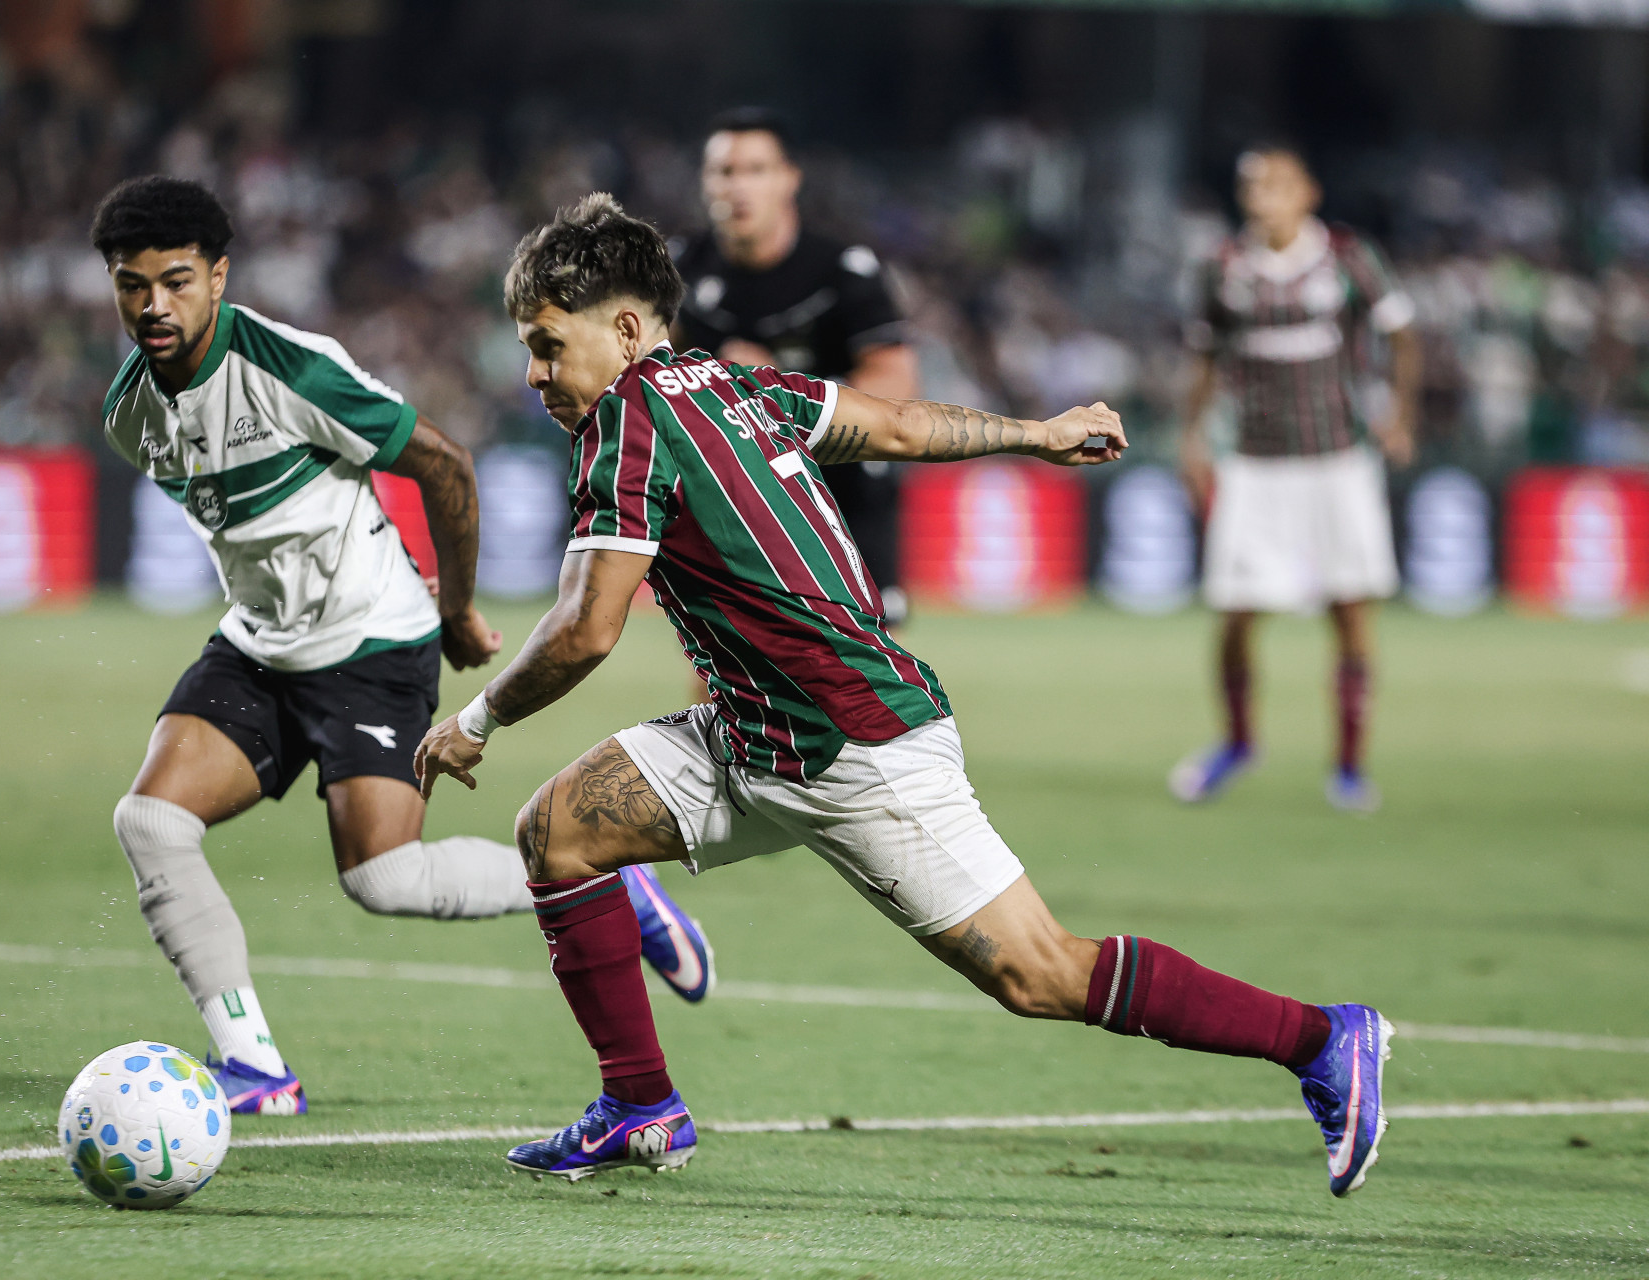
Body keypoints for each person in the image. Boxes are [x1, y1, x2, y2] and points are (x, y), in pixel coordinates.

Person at [413, 194, 1393, 1198]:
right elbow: (904, 426)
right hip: (756, 734)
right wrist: (1037, 433)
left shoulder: (632, 417)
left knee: (1041, 972)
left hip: (856, 744)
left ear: (624, 329)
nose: (534, 373)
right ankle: (639, 1104)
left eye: (546, 344)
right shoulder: (742, 387)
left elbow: (586, 625)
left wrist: (474, 720)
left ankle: (1321, 1037)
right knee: (559, 832)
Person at [91, 177, 715, 1116]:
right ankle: (256, 1068)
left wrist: (459, 611)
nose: (153, 306)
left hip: (373, 642)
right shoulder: (129, 413)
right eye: (131, 285)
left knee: (382, 878)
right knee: (150, 823)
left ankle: (622, 895)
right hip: (260, 644)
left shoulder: (290, 369)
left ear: (219, 276)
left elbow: (444, 464)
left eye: (175, 281)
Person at [1171, 145, 1422, 813]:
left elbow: (1404, 337)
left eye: (1277, 185)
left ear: (1307, 192)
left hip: (1337, 460)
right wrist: (1192, 437)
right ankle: (1238, 742)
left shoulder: (1347, 257)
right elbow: (1203, 358)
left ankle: (1348, 764)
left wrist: (1399, 415)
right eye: (1252, 186)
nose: (1262, 197)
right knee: (1234, 612)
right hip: (1253, 463)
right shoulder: (1224, 266)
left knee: (1349, 608)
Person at [672, 107, 919, 623]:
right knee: (727, 665)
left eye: (756, 170)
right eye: (725, 171)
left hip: (840, 487)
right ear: (705, 182)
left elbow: (896, 386)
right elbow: (650, 373)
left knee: (863, 672)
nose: (738, 187)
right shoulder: (679, 271)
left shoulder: (843, 270)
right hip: (735, 490)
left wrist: (781, 391)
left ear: (789, 179)